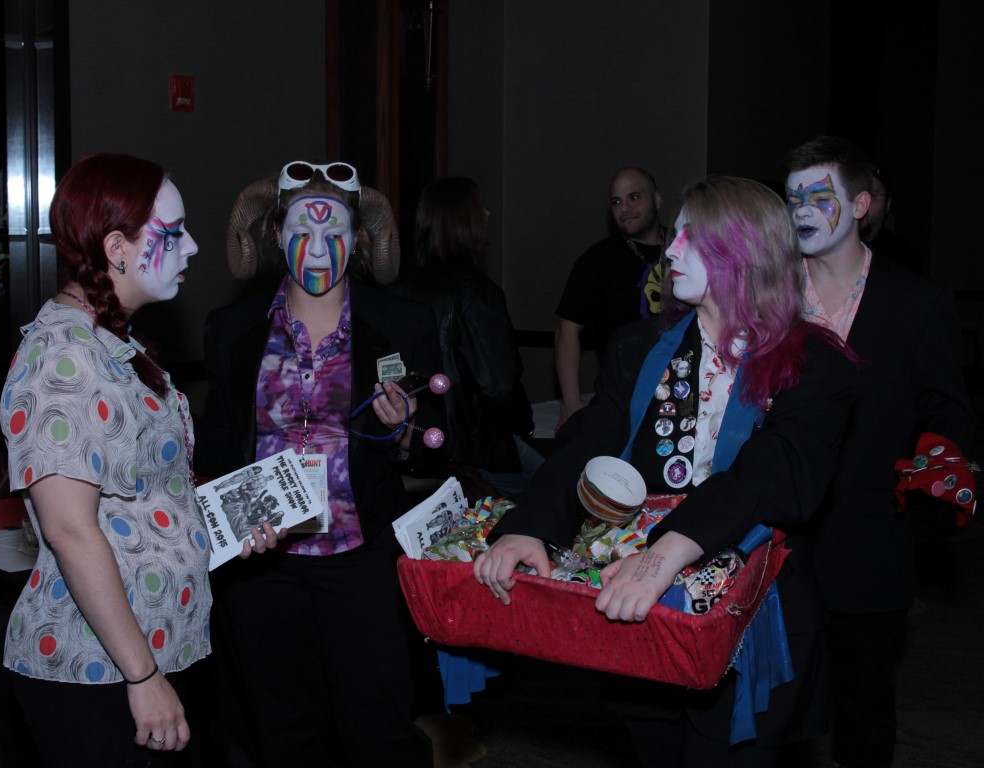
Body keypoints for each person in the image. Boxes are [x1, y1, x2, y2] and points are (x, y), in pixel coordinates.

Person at [474, 175, 858, 766]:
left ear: (744, 252)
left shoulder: (813, 361)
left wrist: (666, 554)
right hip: (643, 614)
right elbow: (587, 445)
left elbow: (776, 472)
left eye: (691, 238)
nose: (670, 251)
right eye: (674, 235)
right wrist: (530, 525)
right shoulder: (639, 345)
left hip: (754, 617)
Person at [0, 152, 280, 766]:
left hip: (153, 648)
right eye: (173, 233)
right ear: (117, 248)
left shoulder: (111, 341)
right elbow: (70, 531)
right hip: (95, 666)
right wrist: (143, 676)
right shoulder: (64, 358)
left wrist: (223, 526)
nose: (193, 247)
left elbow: (144, 496)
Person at [195, 161, 446, 767]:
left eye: (333, 233)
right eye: (301, 232)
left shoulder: (401, 324)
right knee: (282, 735)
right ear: (275, 234)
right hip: (262, 567)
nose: (316, 248)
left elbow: (441, 442)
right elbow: (220, 443)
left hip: (361, 563)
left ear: (357, 240)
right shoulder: (231, 329)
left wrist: (405, 430)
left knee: (379, 731)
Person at [783, 136, 974, 768]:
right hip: (774, 535)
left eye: (819, 197)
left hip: (868, 537)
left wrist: (940, 463)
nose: (802, 211)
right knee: (777, 708)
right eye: (793, 199)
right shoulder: (768, 296)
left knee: (862, 707)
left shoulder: (918, 301)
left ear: (861, 204)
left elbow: (946, 405)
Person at [392, 176, 540, 499]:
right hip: (472, 450)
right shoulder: (476, 290)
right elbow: (498, 385)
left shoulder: (398, 281)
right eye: (480, 206)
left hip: (412, 441)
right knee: (564, 492)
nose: (487, 214)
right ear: (463, 218)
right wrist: (523, 426)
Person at [554, 166, 667, 431]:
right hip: (621, 399)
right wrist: (570, 401)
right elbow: (566, 329)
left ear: (657, 199)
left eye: (634, 197)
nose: (624, 208)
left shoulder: (685, 248)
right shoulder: (596, 261)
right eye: (616, 202)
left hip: (681, 389)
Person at [859, 164, 926, 275]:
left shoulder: (903, 256)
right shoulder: (834, 249)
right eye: (859, 195)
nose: (863, 203)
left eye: (873, 195)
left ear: (887, 204)